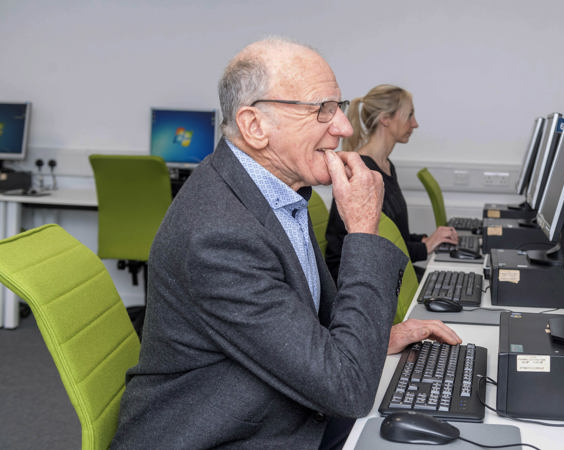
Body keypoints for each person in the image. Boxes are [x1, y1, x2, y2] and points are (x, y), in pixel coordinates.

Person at [111, 38, 461, 450]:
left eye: (340, 107)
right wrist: (364, 231)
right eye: (322, 110)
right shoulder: (219, 235)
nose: (344, 128)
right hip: (224, 434)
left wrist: (375, 338)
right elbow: (346, 387)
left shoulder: (277, 192)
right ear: (255, 126)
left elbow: (305, 328)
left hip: (280, 404)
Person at [324, 84, 459, 281]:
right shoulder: (362, 172)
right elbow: (373, 246)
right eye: (409, 115)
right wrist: (425, 246)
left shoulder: (385, 166)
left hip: (384, 270)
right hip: (359, 278)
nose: (415, 124)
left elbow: (394, 232)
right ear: (385, 119)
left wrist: (426, 239)